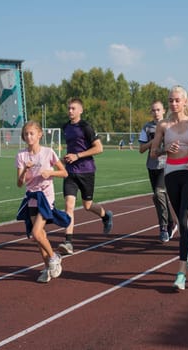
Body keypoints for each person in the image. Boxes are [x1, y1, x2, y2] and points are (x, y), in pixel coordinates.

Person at [150, 85, 188, 291]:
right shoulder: (163, 126)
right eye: (171, 100)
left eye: (177, 100)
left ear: (185, 101)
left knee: (184, 221)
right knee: (181, 221)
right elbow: (153, 153)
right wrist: (165, 149)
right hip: (171, 175)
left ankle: (181, 273)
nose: (174, 103)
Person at [15, 121, 70, 283]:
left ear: (39, 134)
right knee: (40, 236)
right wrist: (25, 168)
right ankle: (47, 267)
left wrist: (50, 172)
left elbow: (64, 172)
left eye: (32, 133)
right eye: (26, 134)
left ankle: (54, 257)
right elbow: (19, 183)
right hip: (32, 197)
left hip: (46, 196)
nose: (28, 137)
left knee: (36, 233)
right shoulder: (21, 156)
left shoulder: (48, 152)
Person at [58, 98, 114, 255]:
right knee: (69, 205)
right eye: (69, 108)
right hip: (70, 172)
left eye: (73, 108)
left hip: (86, 171)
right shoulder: (66, 127)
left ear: (80, 110)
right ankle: (68, 242)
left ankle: (105, 215)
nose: (70, 111)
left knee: (87, 206)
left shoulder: (86, 127)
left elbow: (99, 148)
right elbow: (72, 148)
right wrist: (64, 159)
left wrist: (78, 155)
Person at [138, 100, 178, 243]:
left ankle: (163, 228)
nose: (156, 113)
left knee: (159, 193)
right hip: (152, 166)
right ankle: (172, 223)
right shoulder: (147, 128)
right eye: (153, 110)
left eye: (158, 110)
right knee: (158, 197)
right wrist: (153, 141)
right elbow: (142, 149)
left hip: (166, 165)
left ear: (163, 111)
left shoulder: (170, 125)